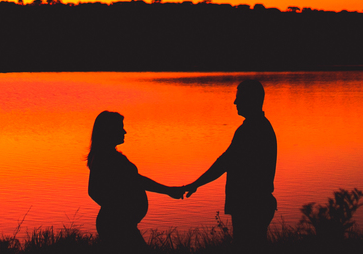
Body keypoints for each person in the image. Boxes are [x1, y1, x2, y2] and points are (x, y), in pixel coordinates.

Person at [183, 79, 277, 248]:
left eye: (239, 97)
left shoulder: (251, 130)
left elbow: (224, 162)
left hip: (250, 204)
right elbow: (226, 161)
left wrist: (196, 184)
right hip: (255, 202)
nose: (235, 102)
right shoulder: (258, 126)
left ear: (251, 99)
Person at [87, 110, 185, 248]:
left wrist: (168, 190)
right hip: (118, 225)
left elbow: (135, 180)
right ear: (109, 131)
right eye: (120, 128)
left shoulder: (106, 157)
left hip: (120, 223)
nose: (124, 131)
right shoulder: (108, 159)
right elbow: (94, 191)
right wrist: (117, 210)